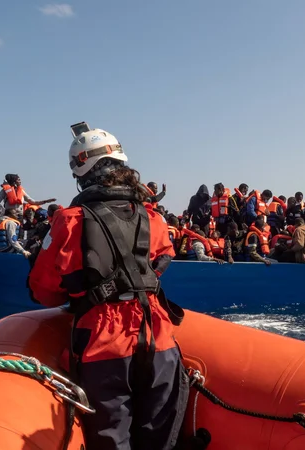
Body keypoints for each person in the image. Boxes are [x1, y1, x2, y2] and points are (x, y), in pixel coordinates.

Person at [28, 122, 187, 450]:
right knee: (161, 440)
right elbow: (161, 260)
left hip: (104, 347)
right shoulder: (151, 216)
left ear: (80, 172)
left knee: (112, 441)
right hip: (160, 342)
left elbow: (43, 290)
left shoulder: (70, 221)